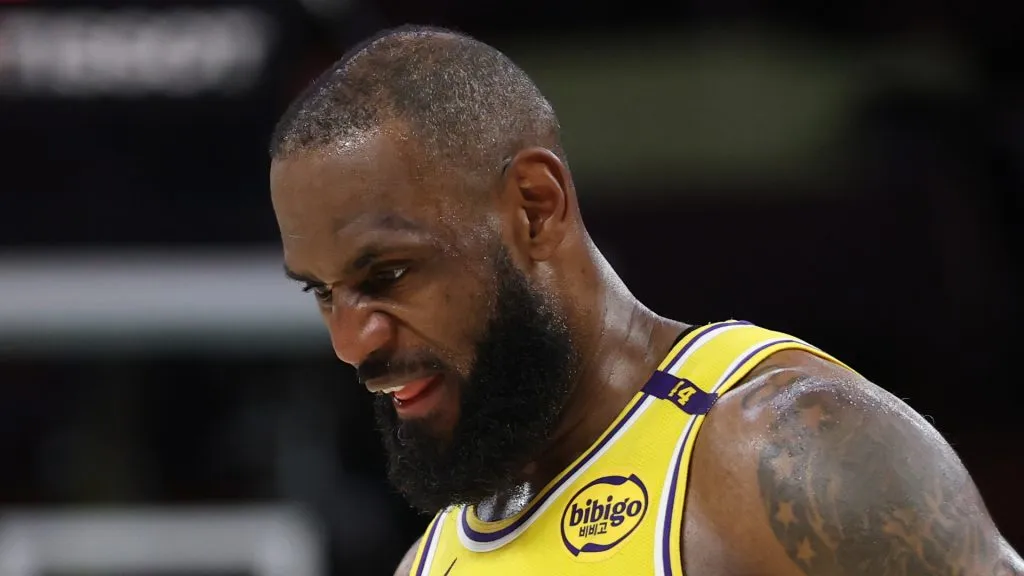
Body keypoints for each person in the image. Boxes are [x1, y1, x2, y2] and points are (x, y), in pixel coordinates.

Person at [267, 24, 1023, 576]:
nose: (352, 342)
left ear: (534, 207)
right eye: (324, 293)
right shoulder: (432, 562)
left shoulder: (782, 456)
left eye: (389, 275)